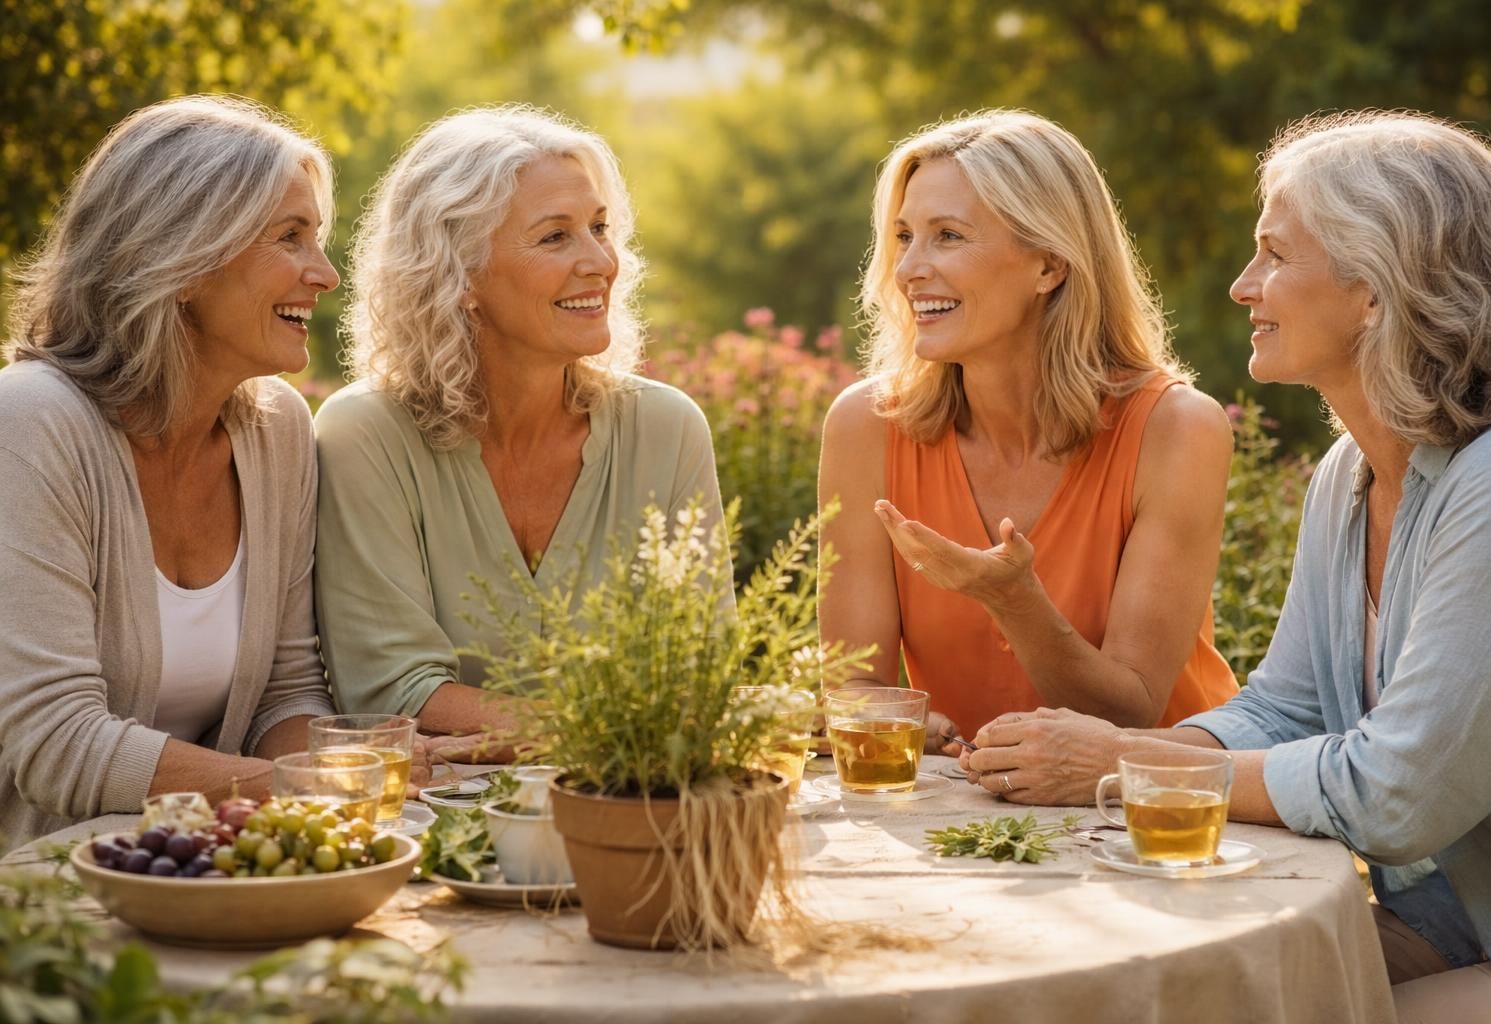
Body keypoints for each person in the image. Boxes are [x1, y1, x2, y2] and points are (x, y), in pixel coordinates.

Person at [962, 110, 1491, 1023]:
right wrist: (1095, 762)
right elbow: (1286, 706)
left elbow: (1395, 797)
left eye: (1273, 254)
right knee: (1155, 984)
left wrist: (1123, 761)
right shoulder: (1352, 475)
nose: (1242, 285)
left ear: (1377, 289)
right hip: (1460, 912)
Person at [818, 110, 1237, 751]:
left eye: (949, 236)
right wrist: (893, 728)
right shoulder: (866, 427)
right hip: (967, 809)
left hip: (1161, 811)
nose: (908, 270)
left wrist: (1014, 600)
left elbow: (1131, 714)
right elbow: (856, 692)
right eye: (904, 237)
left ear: (1049, 265)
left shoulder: (1176, 431)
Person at [315, 106, 724, 750]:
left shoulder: (666, 430)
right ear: (459, 273)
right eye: (555, 237)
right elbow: (394, 688)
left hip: (631, 801)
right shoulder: (365, 436)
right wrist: (607, 730)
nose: (601, 262)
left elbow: (696, 675)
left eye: (599, 228)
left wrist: (529, 737)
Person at [0, 95, 341, 852]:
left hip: (202, 873)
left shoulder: (278, 430)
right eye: (291, 237)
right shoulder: (30, 423)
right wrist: (298, 787)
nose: (326, 273)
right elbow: (57, 742)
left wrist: (352, 771)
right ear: (184, 261)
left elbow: (285, 691)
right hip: (41, 913)